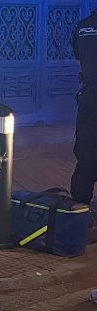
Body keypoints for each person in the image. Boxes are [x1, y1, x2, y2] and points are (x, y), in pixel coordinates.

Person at [71, 11, 97, 208]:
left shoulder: (83, 26)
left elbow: (78, 55)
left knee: (87, 149)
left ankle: (79, 207)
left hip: (90, 97)